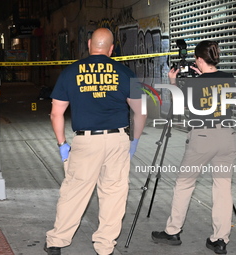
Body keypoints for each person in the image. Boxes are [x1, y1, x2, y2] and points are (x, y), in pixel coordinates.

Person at [45, 28, 147, 255]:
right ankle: (104, 246)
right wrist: (134, 141)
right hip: (117, 139)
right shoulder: (125, 72)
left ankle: (57, 241)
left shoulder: (70, 72)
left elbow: (56, 113)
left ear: (89, 44)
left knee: (74, 191)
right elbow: (141, 112)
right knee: (113, 193)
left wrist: (62, 144)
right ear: (111, 49)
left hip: (85, 142)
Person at [152, 40, 236, 255]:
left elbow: (178, 109)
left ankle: (173, 231)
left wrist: (173, 82)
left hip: (203, 137)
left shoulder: (194, 84)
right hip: (228, 137)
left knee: (184, 184)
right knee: (223, 189)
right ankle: (219, 239)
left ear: (199, 60)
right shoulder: (229, 79)